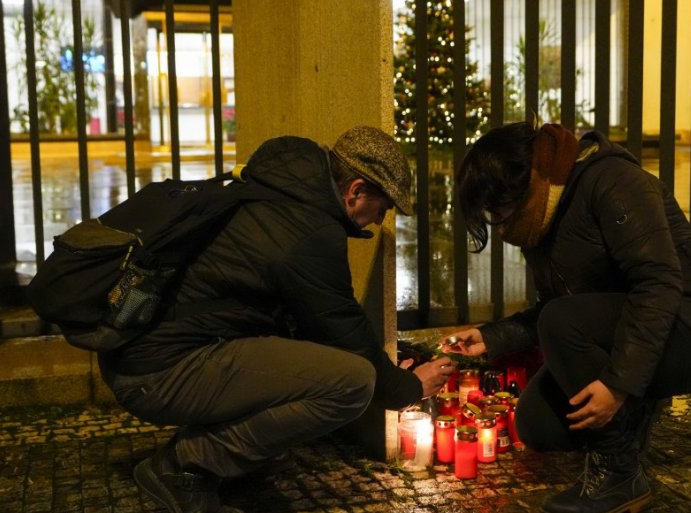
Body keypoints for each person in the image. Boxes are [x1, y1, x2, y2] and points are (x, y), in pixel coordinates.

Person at [97, 126, 456, 513]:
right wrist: (410, 387)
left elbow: (315, 325)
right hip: (156, 373)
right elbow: (345, 333)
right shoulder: (309, 231)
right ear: (355, 191)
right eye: (381, 208)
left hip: (139, 354)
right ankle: (187, 465)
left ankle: (240, 455)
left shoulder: (278, 192)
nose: (377, 220)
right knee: (354, 382)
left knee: (315, 357)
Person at [442, 122, 691, 513]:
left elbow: (657, 284)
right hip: (635, 330)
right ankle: (637, 409)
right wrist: (492, 336)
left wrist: (618, 384)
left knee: (562, 323)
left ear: (518, 184)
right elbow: (556, 307)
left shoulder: (612, 180)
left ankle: (619, 476)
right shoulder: (538, 214)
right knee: (537, 424)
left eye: (495, 210)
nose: (496, 222)